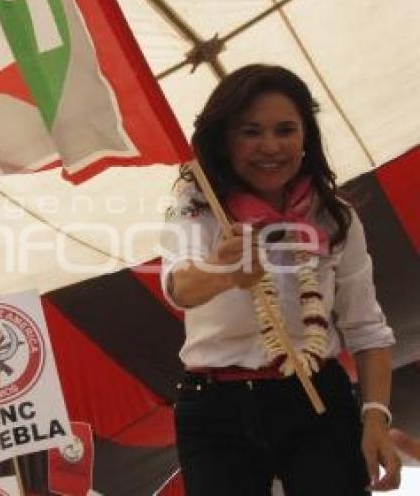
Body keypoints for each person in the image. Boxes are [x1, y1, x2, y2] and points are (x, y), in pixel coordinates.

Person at [159, 64, 401, 494]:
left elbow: (367, 329)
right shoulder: (198, 205)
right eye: (251, 131)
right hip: (215, 408)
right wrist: (223, 271)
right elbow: (180, 286)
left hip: (317, 397)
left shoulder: (334, 216)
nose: (270, 146)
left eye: (285, 130)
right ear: (226, 140)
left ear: (305, 138)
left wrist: (376, 416)